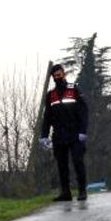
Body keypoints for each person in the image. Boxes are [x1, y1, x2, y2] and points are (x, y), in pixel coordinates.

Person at [39, 64, 90, 201]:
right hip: (59, 135)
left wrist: (83, 131)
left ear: (64, 74)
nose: (57, 78)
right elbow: (47, 116)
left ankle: (82, 191)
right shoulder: (51, 95)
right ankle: (65, 193)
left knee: (78, 161)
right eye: (55, 76)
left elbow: (84, 111)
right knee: (62, 165)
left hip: (75, 134)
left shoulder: (74, 90)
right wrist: (44, 135)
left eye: (59, 75)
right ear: (52, 77)